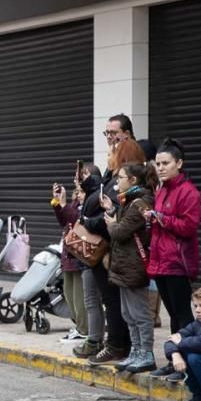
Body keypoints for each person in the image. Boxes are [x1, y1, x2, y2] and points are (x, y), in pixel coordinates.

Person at [78, 138, 144, 364]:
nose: (108, 156)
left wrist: (87, 221)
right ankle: (123, 345)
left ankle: (118, 345)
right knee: (117, 302)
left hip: (110, 250)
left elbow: (113, 218)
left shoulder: (124, 187)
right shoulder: (111, 179)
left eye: (112, 152)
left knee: (117, 303)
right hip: (110, 249)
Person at [146, 139, 201, 380]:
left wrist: (161, 219)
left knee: (183, 316)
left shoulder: (188, 192)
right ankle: (173, 359)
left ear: (179, 163)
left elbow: (189, 226)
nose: (161, 167)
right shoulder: (162, 189)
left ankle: (188, 363)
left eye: (166, 163)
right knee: (172, 315)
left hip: (177, 263)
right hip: (160, 261)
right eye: (158, 163)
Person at [103, 162, 157, 373]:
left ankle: (146, 354)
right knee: (128, 314)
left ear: (133, 180)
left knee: (140, 314)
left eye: (121, 178)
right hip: (125, 266)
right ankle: (135, 351)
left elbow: (119, 232)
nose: (117, 183)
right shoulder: (129, 202)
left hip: (134, 266)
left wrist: (111, 224)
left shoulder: (140, 203)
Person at [52, 164, 91, 341]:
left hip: (81, 252)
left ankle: (84, 330)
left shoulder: (90, 198)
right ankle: (79, 326)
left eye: (80, 177)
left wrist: (64, 204)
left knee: (79, 295)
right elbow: (64, 221)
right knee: (68, 293)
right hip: (69, 251)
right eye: (76, 178)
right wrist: (58, 203)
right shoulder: (76, 199)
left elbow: (78, 219)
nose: (76, 181)